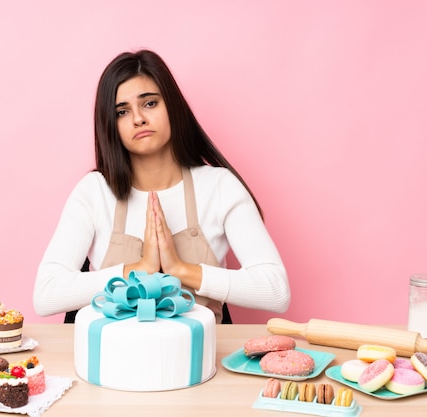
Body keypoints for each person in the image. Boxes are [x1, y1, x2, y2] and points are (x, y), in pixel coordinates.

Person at [33, 49, 290, 323]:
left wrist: (180, 269)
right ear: (110, 125)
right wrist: (138, 269)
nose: (138, 119)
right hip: (113, 359)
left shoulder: (219, 187)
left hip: (199, 360)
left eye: (150, 104)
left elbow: (276, 290)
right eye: (122, 111)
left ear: (172, 106)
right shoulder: (95, 191)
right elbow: (46, 295)